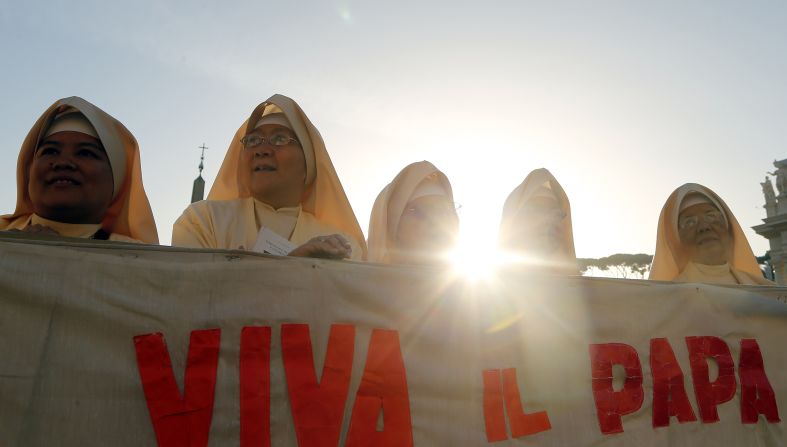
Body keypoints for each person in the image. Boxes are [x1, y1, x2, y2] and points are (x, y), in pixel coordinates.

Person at [172, 94, 366, 260]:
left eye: (280, 139)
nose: (262, 150)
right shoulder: (204, 221)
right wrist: (296, 269)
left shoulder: (342, 245)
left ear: (308, 164)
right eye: (253, 140)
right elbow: (189, 294)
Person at [0, 96, 158, 244]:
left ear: (117, 180)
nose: (62, 162)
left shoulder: (138, 262)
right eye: (50, 151)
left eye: (85, 153)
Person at [649, 183, 772, 285]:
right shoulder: (668, 299)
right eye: (690, 222)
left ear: (728, 225)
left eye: (711, 216)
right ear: (677, 238)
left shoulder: (768, 293)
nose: (704, 227)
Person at [367, 161, 458, 264]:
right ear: (392, 226)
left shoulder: (467, 279)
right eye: (419, 212)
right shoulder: (356, 277)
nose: (437, 221)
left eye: (446, 211)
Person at [498, 168, 577, 274]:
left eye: (556, 213)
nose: (550, 219)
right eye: (539, 209)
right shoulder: (485, 288)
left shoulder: (582, 287)